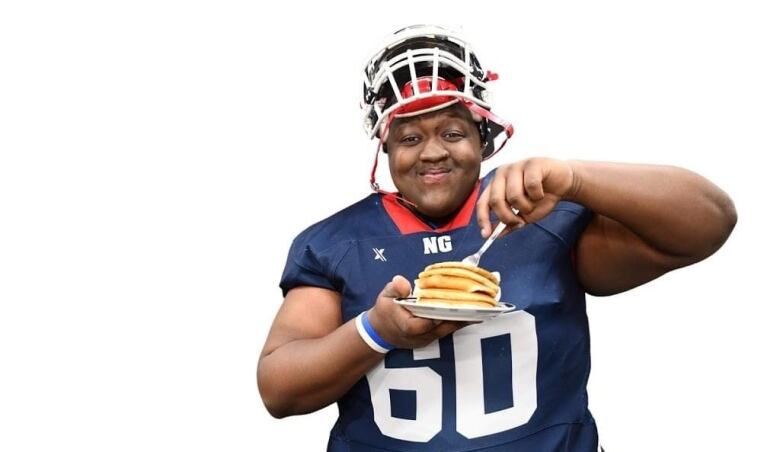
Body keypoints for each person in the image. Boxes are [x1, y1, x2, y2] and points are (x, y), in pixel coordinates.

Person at [256, 25, 737, 451]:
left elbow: (709, 223)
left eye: (451, 131)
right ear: (384, 145)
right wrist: (375, 332)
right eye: (409, 138)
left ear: (482, 137)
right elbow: (279, 389)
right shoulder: (336, 243)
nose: (432, 153)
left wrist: (574, 178)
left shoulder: (542, 214)